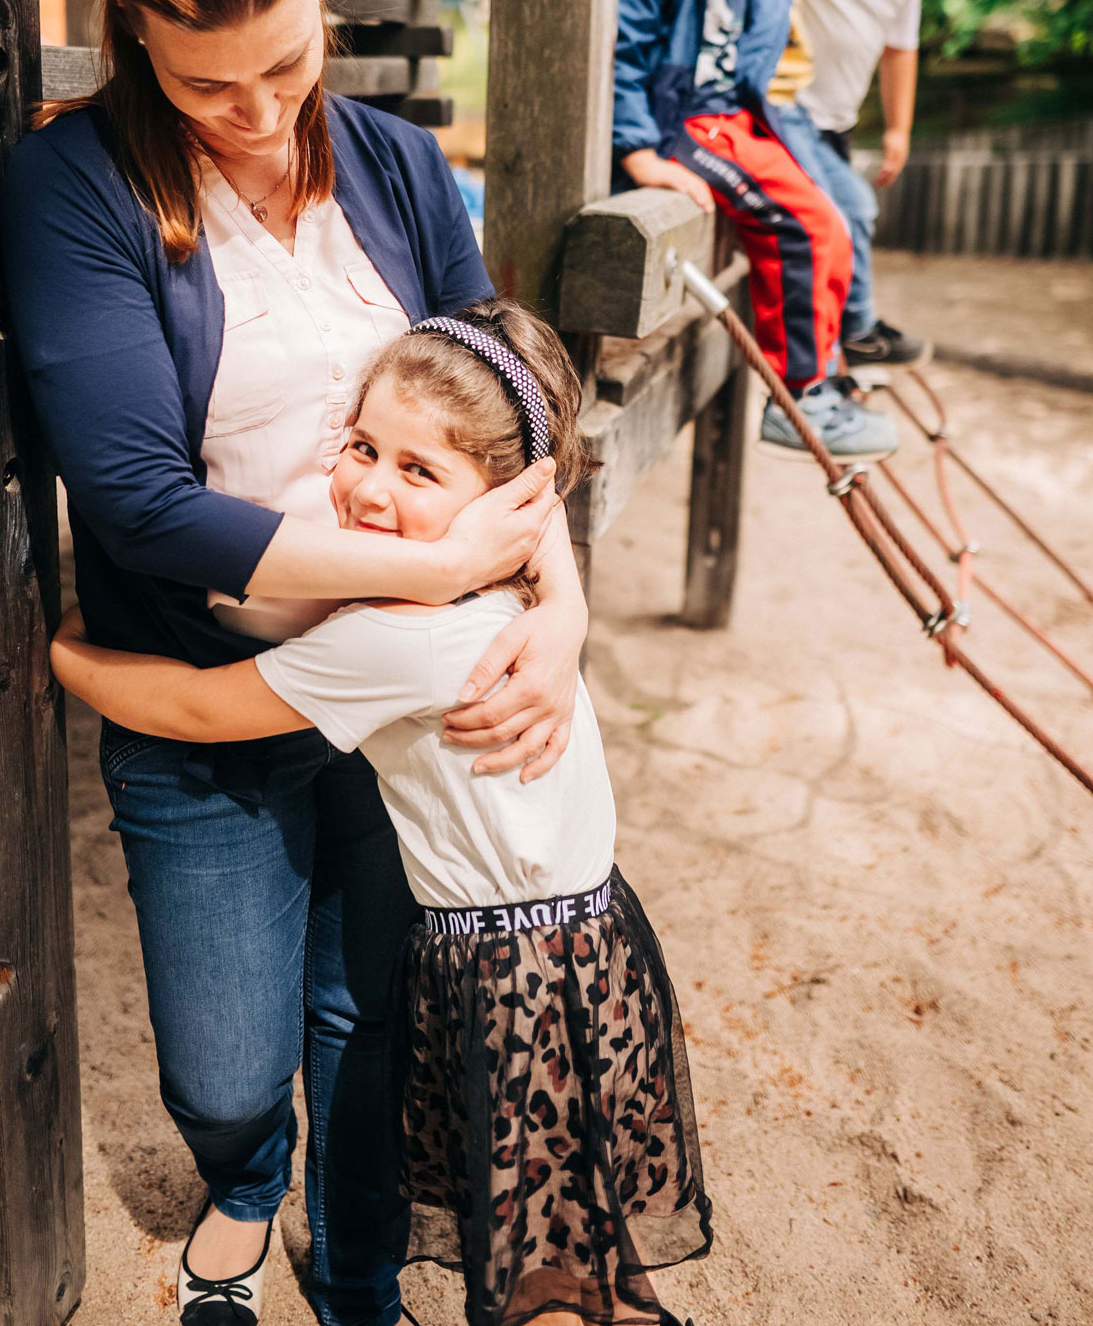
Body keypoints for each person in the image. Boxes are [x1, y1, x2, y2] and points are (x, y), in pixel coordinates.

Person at [0, 0, 588, 1326]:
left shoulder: (396, 162)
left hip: (404, 687)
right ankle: (246, 1175)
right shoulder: (73, 186)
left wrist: (559, 609)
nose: (260, 114)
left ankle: (357, 1254)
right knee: (221, 1062)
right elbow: (138, 503)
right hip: (210, 680)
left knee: (370, 1006)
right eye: (210, 85)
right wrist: (442, 556)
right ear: (134, 27)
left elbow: (506, 405)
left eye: (286, 61)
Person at [50, 299, 714, 1326]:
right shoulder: (518, 593)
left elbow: (191, 708)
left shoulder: (395, 638)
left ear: (507, 500)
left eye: (418, 471)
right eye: (361, 447)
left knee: (536, 1273)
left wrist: (66, 648)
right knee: (582, 1233)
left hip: (502, 980)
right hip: (596, 948)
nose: (367, 488)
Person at [612, 0, 896, 461]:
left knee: (829, 222)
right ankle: (798, 397)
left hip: (729, 122)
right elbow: (622, 42)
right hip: (682, 124)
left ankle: (824, 373)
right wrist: (639, 150)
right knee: (799, 226)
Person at [787, 0, 930, 370]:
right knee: (845, 213)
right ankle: (851, 335)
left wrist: (898, 130)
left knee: (850, 217)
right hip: (792, 109)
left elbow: (900, 47)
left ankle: (846, 340)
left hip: (838, 120)